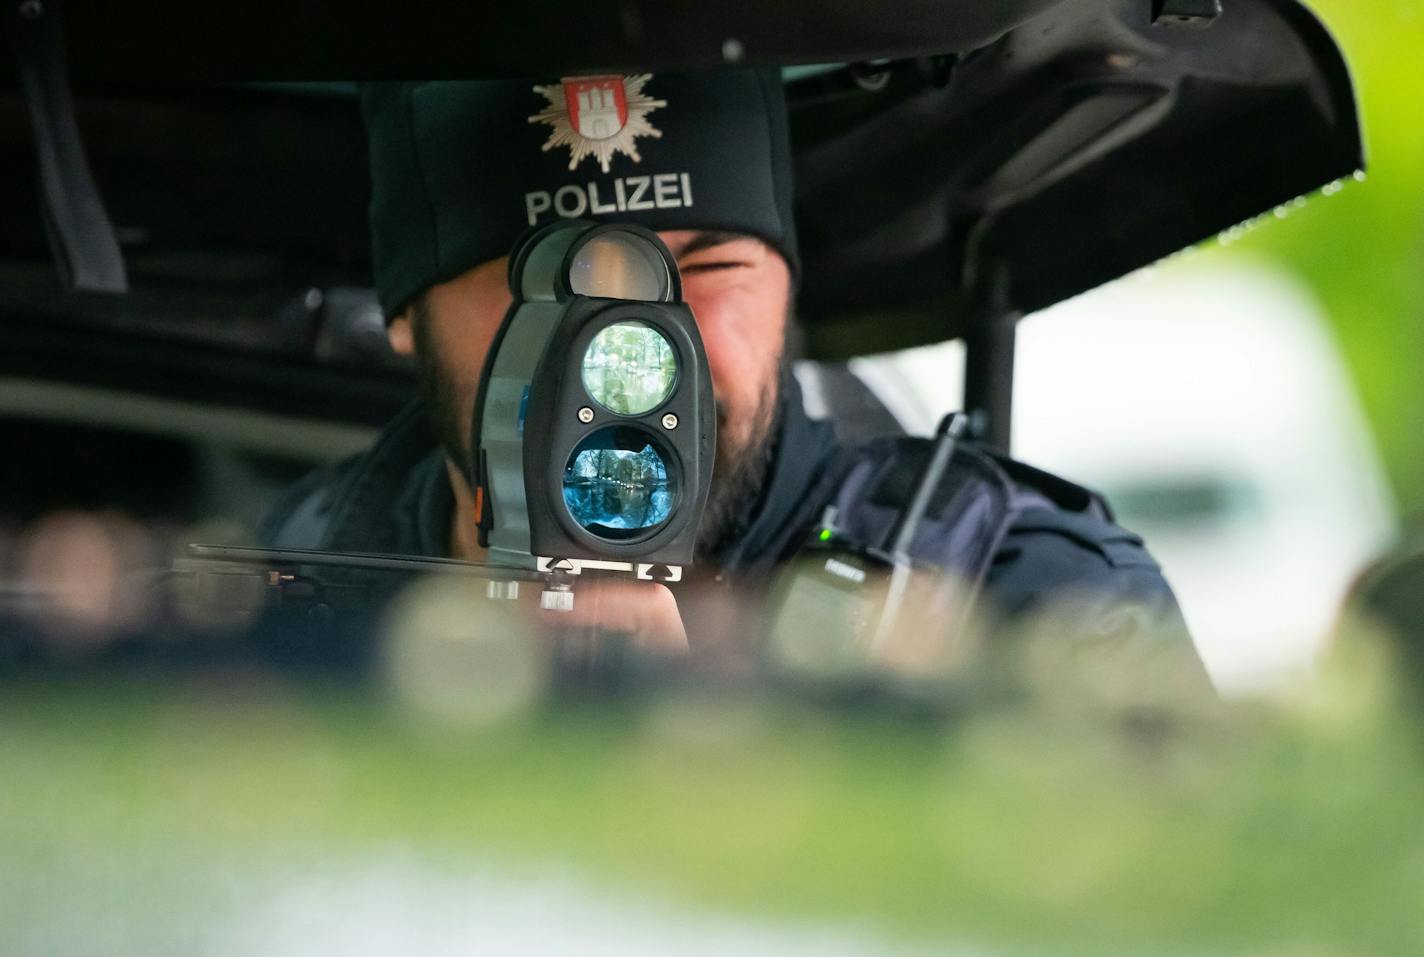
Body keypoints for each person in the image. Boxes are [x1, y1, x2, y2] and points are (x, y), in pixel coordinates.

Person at [264, 70, 1209, 688]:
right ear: (404, 312)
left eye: (706, 270)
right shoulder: (287, 587)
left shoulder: (1023, 603)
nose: (632, 350)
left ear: (790, 286)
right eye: (549, 279)